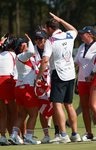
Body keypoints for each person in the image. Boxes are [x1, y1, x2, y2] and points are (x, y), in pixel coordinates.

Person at [35, 12, 81, 143]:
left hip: (59, 74)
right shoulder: (68, 35)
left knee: (57, 104)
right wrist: (60, 19)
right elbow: (74, 30)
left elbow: (44, 61)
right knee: (70, 105)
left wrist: (39, 76)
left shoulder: (50, 41)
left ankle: (62, 135)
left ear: (49, 29)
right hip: (71, 74)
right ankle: (75, 134)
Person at [8, 34, 41, 145]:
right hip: (27, 89)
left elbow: (33, 55)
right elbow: (31, 52)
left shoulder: (25, 57)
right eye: (24, 43)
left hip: (19, 89)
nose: (26, 44)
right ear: (20, 48)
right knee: (33, 115)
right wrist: (30, 40)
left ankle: (13, 136)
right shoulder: (21, 56)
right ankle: (28, 138)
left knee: (22, 115)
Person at [0, 34, 18, 146]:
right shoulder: (13, 55)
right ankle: (14, 136)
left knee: (3, 113)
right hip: (7, 80)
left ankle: (2, 137)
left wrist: (0, 42)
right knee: (13, 112)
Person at [74, 26, 96, 141]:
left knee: (95, 106)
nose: (81, 35)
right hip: (81, 80)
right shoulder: (81, 46)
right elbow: (76, 62)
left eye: (83, 33)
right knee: (84, 107)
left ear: (89, 34)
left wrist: (93, 73)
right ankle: (89, 133)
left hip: (93, 80)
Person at [33, 29, 53, 143]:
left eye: (40, 38)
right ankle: (46, 135)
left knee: (55, 107)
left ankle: (58, 132)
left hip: (51, 83)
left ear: (45, 39)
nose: (38, 41)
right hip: (38, 84)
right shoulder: (33, 50)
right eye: (36, 39)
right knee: (41, 109)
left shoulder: (50, 48)